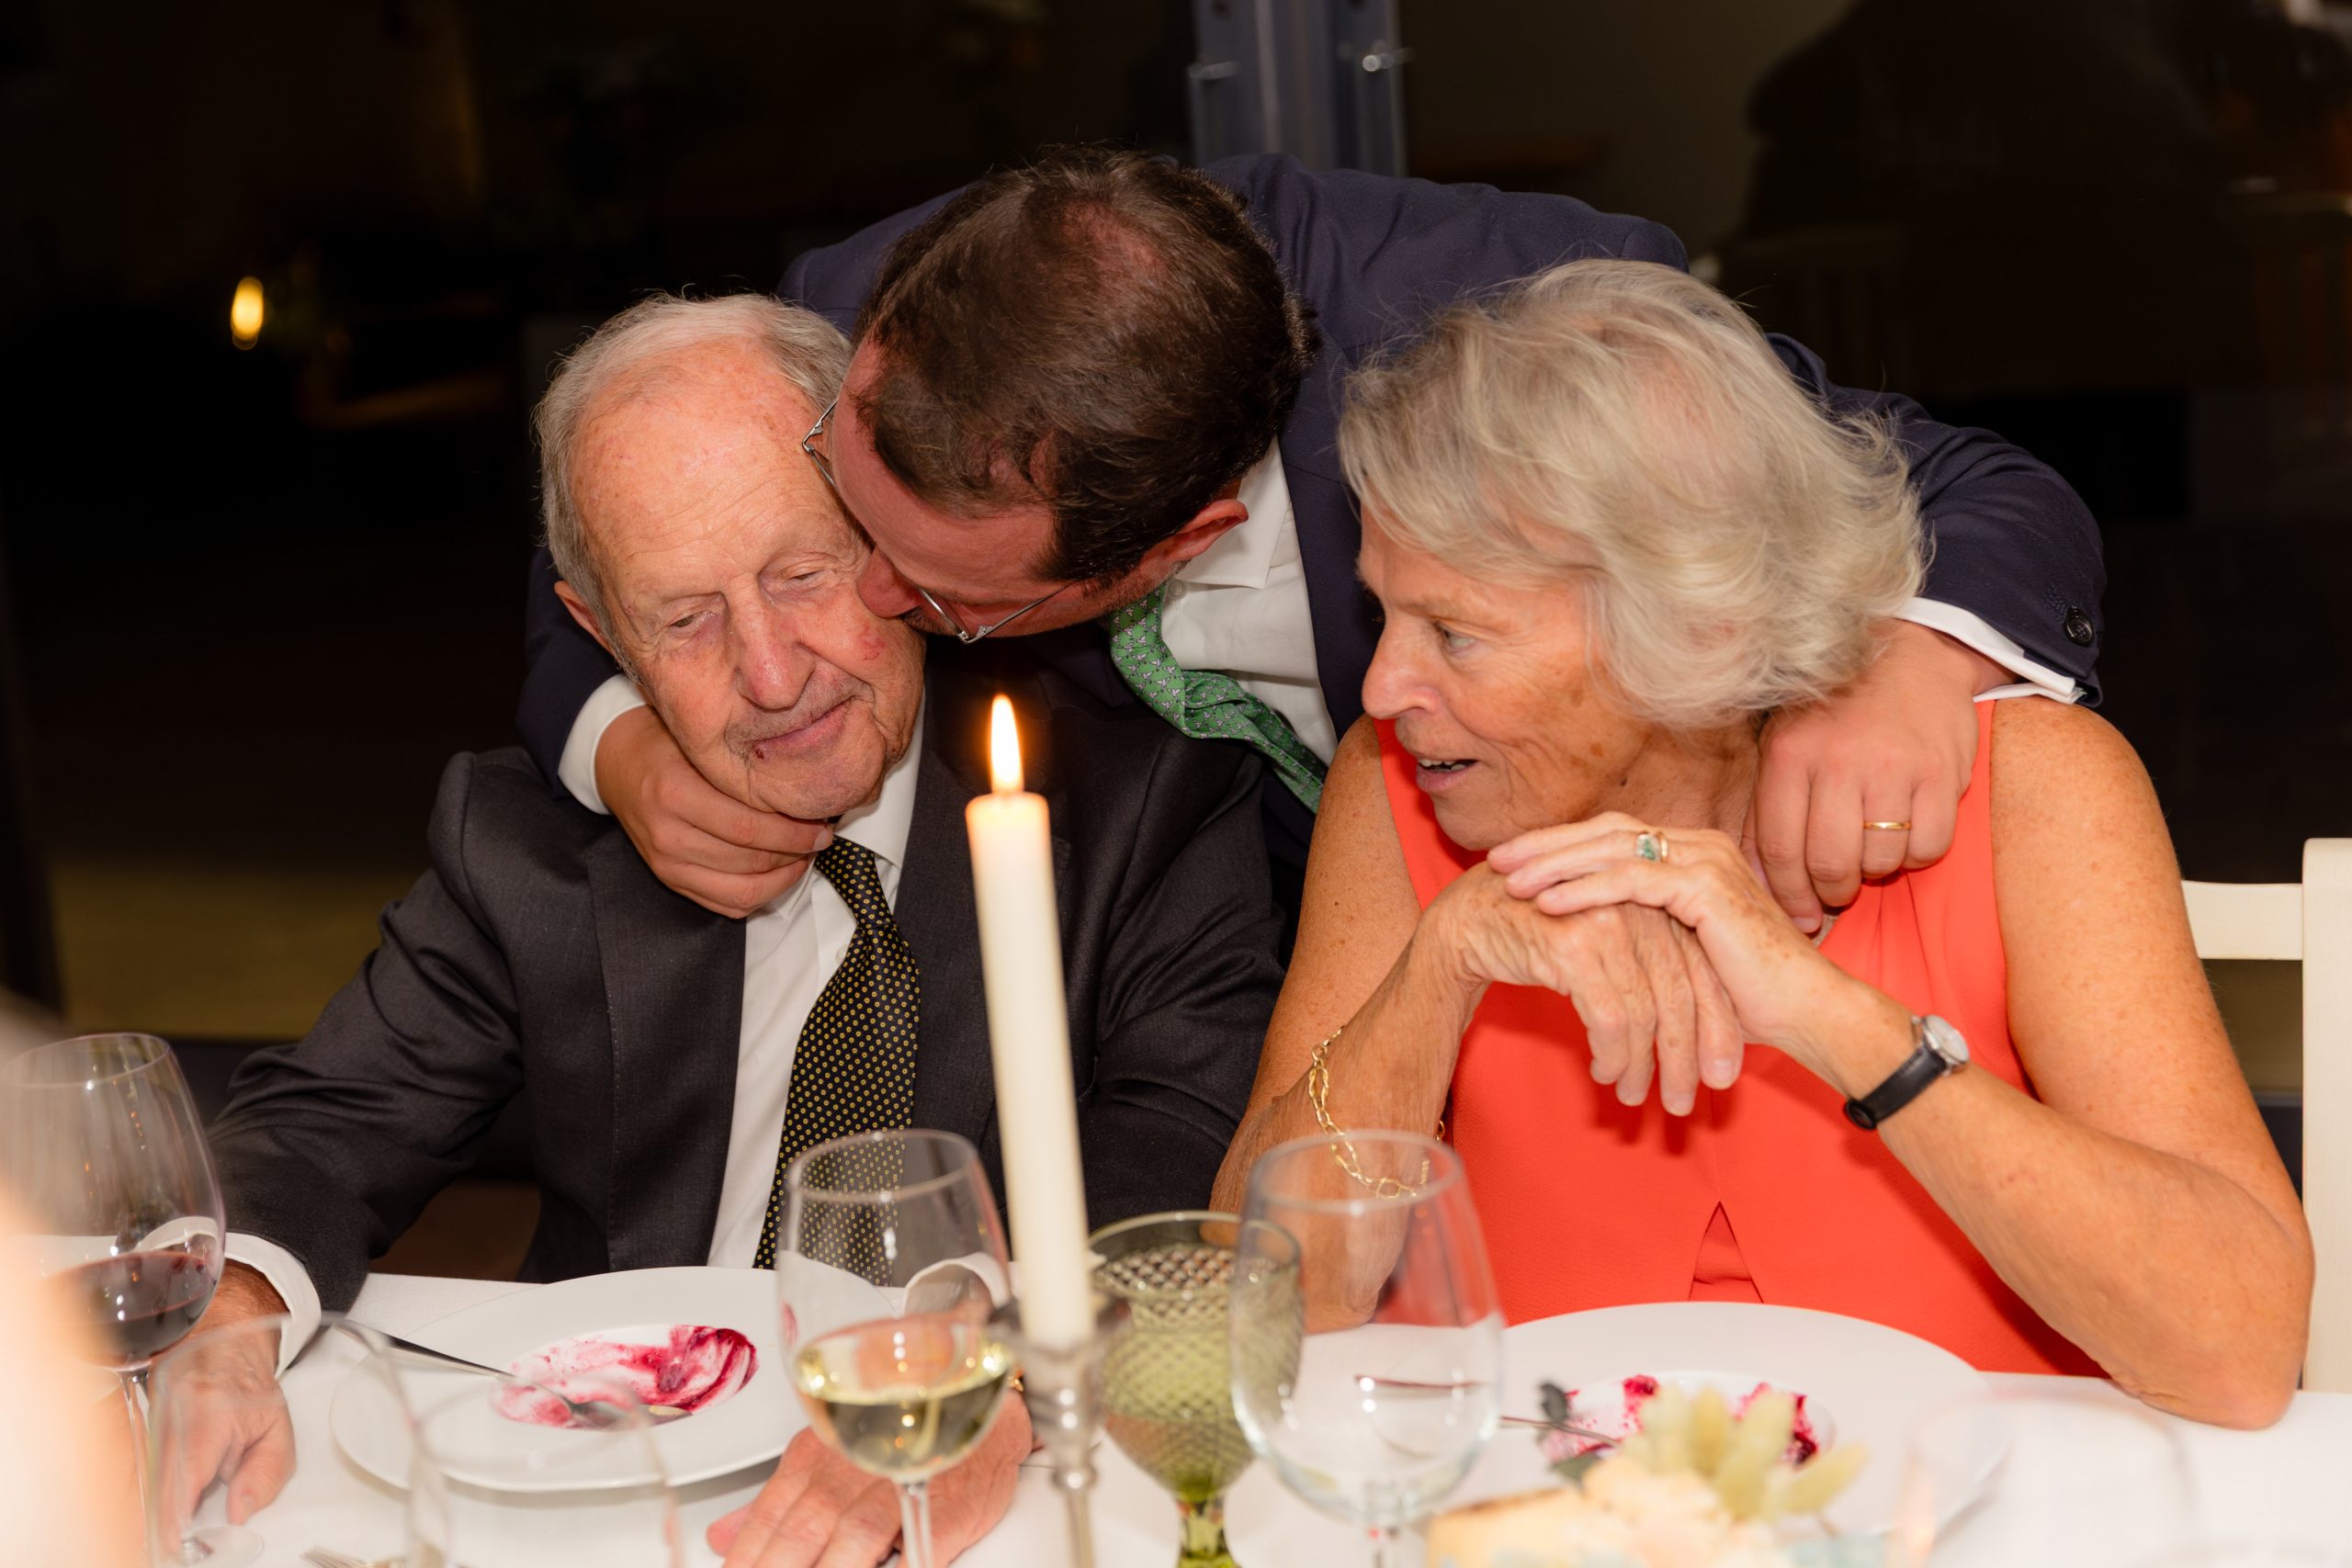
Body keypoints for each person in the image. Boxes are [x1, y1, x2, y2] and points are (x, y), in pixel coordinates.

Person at [516, 146, 2110, 1111]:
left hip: (1584, 962)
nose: (867, 596)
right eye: (841, 505)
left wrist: (1910, 653)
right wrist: (626, 742)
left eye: (940, 598)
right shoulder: (872, 311)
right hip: (1220, 974)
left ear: (1178, 542)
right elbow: (609, 513)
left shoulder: (1523, 319)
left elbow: (1970, 480)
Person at [188, 292, 1285, 1564]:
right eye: (685, 618)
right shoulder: (532, 843)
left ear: (891, 538)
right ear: (603, 634)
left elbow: (1178, 1136)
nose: (772, 674)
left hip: (985, 1496)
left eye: (802, 575)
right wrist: (228, 1312)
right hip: (599, 1491)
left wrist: (989, 1353)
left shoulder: (1143, 803)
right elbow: (325, 1120)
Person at [1210, 259, 2311, 1428]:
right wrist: (1440, 965)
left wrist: (1832, 1018)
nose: (1381, 688)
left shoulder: (2029, 788)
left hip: (1972, 1502)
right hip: (1534, 1499)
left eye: (1454, 633)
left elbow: (2236, 1352)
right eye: (1382, 612)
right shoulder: (1403, 788)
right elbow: (1266, 1305)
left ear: (1689, 625)